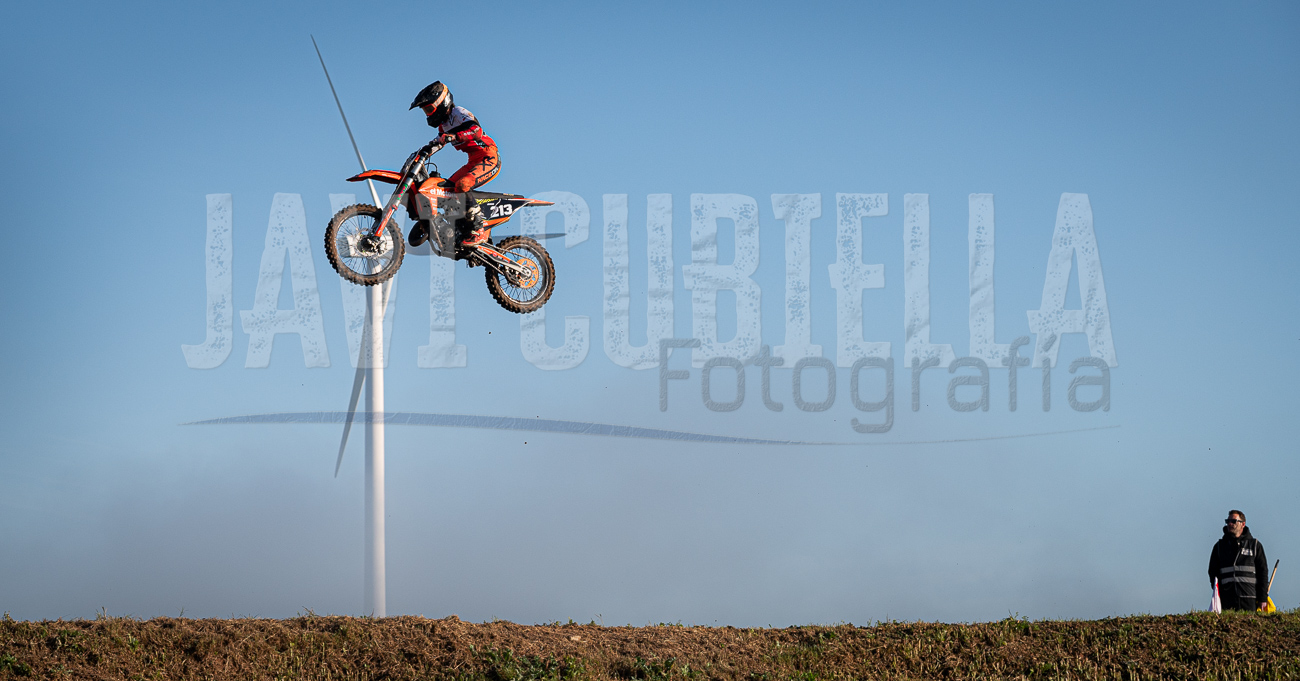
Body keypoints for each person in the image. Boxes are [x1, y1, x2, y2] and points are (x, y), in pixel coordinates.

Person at [409, 81, 501, 247]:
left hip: (488, 156)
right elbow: (438, 142)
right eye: (425, 111)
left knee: (462, 185)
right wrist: (423, 153)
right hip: (473, 161)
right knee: (445, 190)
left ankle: (478, 228)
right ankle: (458, 225)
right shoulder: (443, 126)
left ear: (441, 103)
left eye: (429, 109)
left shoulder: (458, 112)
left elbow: (476, 131)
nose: (428, 114)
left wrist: (454, 136)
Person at [1208, 509, 1270, 612]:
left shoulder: (1255, 545)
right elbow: (1212, 572)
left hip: (1249, 599)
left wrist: (1262, 598)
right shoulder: (1219, 547)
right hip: (1226, 600)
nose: (1230, 524)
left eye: (1233, 521)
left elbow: (1262, 573)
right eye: (1228, 521)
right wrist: (1218, 594)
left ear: (1243, 524)